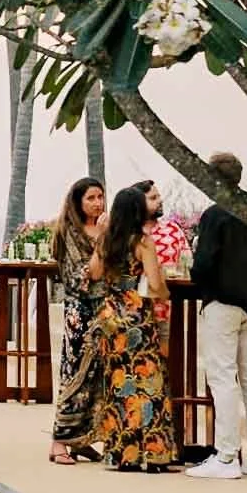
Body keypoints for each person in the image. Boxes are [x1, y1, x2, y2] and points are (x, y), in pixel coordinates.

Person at [186, 150, 247, 482]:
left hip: (222, 302)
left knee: (223, 377)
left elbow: (203, 265)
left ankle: (227, 455)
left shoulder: (215, 215)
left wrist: (198, 275)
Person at [86, 182, 177, 473]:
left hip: (111, 316)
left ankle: (122, 453)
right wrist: (165, 294)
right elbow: (154, 282)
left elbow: (94, 273)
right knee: (149, 384)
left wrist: (100, 240)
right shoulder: (143, 242)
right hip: (137, 313)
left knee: (119, 384)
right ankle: (153, 454)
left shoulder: (107, 240)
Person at [48, 175, 108, 465]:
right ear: (78, 202)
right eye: (91, 198)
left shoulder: (105, 230)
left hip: (105, 310)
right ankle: (59, 441)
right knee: (75, 375)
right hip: (81, 312)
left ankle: (82, 440)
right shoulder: (71, 232)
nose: (97, 203)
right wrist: (102, 241)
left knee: (98, 378)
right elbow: (85, 275)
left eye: (100, 197)